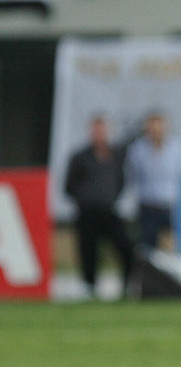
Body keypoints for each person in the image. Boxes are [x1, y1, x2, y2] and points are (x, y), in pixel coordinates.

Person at [64, 115, 135, 298]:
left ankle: (127, 285)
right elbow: (69, 186)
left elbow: (121, 180)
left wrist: (110, 197)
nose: (99, 135)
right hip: (87, 212)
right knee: (88, 251)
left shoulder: (115, 155)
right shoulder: (80, 157)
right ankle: (89, 287)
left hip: (108, 211)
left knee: (125, 246)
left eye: (102, 131)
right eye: (96, 131)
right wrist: (86, 198)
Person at [126, 111, 181, 250]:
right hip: (148, 204)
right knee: (147, 247)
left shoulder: (178, 148)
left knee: (178, 244)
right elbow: (132, 175)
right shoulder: (138, 149)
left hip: (172, 204)